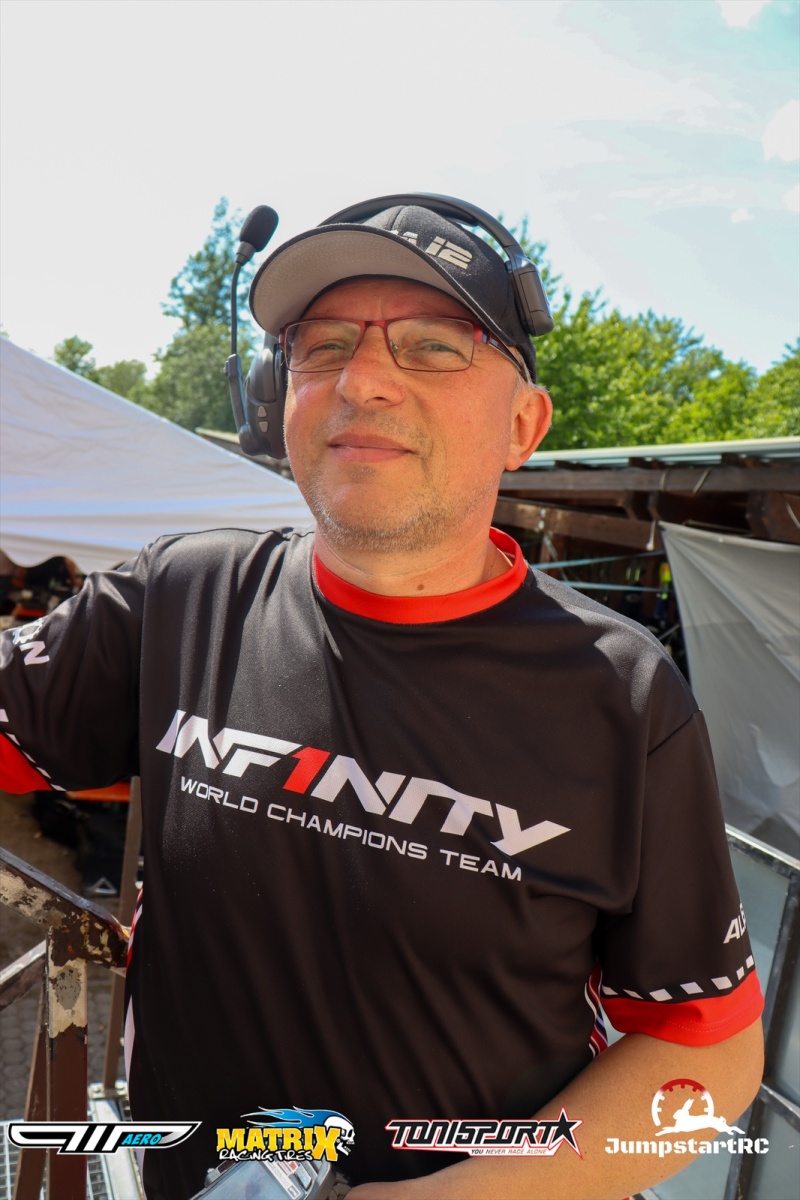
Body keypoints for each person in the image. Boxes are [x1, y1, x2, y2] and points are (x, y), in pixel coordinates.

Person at [0, 198, 764, 1200]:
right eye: (321, 347)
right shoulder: (179, 598)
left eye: (433, 347)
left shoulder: (620, 694)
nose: (360, 380)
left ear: (522, 426)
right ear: (277, 401)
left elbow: (705, 1051)